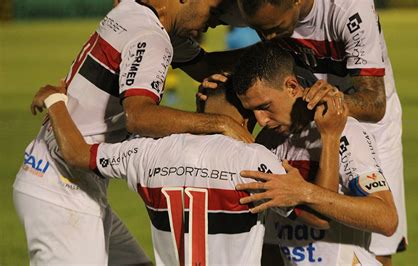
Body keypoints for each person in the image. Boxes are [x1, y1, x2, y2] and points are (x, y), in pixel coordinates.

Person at [13, 0, 255, 264]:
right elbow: (139, 116)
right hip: (62, 190)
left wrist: (278, 50)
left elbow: (206, 67)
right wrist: (219, 123)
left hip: (61, 176)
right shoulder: (151, 37)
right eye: (214, 9)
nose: (216, 20)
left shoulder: (136, 12)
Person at [28, 78, 347, 265]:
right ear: (243, 119)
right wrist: (330, 136)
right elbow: (321, 216)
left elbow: (75, 153)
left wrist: (56, 100)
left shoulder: (144, 151)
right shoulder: (254, 161)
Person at [232, 42, 398, 265]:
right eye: (252, 110)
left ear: (292, 86)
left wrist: (304, 192)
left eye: (265, 106)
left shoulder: (344, 131)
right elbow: (272, 237)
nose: (261, 120)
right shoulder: (266, 142)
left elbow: (386, 218)